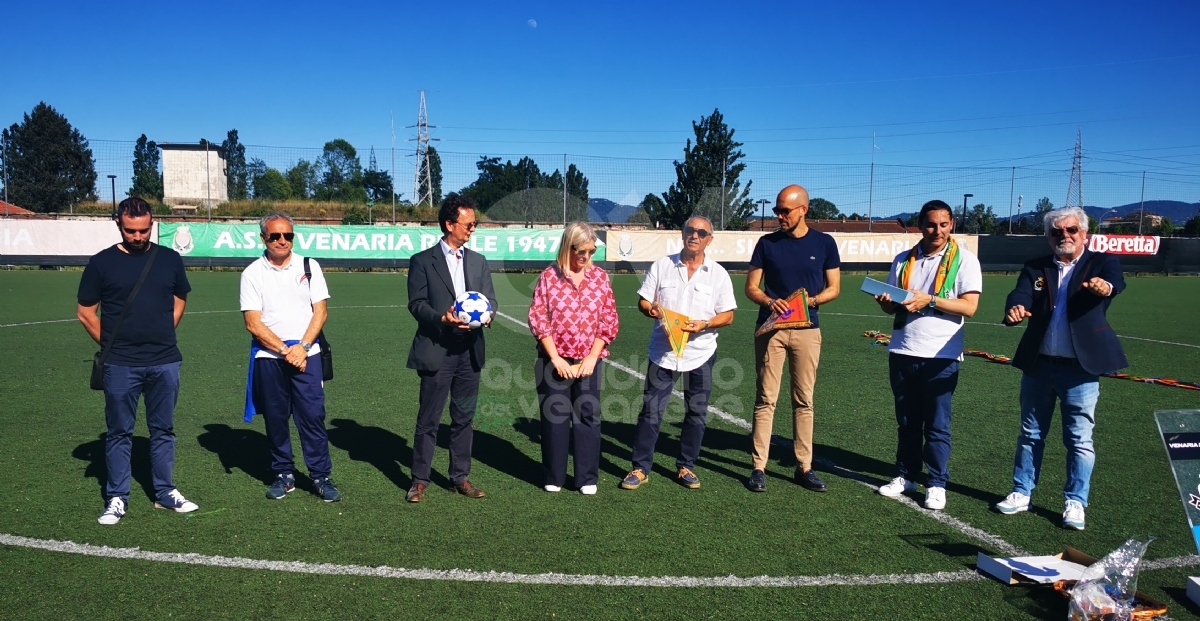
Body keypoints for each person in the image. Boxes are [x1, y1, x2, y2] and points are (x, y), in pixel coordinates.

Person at [995, 206, 1126, 530]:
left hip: (1080, 370)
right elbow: (1021, 293)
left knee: (1079, 440)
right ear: (1048, 236)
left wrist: (1104, 288)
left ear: (1084, 234)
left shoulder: (1102, 262)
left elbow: (1115, 283)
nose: (1064, 237)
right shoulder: (1036, 266)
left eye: (1071, 231)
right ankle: (1021, 492)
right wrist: (1016, 307)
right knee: (1030, 434)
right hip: (1039, 366)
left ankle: (1075, 502)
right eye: (1057, 232)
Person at [77, 197, 198, 525]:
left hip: (165, 361)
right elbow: (86, 313)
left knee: (163, 429)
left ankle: (165, 492)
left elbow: (179, 298)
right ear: (119, 225)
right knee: (119, 431)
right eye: (131, 231)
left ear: (152, 225)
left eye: (144, 230)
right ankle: (117, 497)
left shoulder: (169, 259)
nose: (138, 236)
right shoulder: (101, 263)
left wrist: (162, 331)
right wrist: (114, 345)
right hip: (120, 364)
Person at [873, 200, 982, 511]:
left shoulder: (965, 261)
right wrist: (886, 302)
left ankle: (936, 482)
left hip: (942, 354)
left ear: (952, 225)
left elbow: (969, 307)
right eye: (931, 224)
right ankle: (905, 475)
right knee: (907, 421)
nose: (937, 230)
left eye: (943, 224)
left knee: (937, 423)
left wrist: (930, 300)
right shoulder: (903, 259)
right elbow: (894, 302)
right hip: (903, 349)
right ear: (919, 225)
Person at [620, 216, 736, 491]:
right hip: (663, 351)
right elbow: (644, 300)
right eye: (689, 230)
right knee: (651, 411)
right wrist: (651, 309)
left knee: (696, 413)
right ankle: (639, 467)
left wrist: (705, 324)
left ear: (709, 239)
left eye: (701, 232)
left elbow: (728, 315)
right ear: (682, 234)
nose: (694, 235)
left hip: (702, 352)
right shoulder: (662, 265)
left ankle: (686, 466)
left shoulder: (718, 273)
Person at [744, 184, 841, 493]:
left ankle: (804, 466)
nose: (780, 216)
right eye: (777, 210)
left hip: (808, 330)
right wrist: (769, 302)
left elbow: (834, 288)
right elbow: (751, 287)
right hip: (770, 330)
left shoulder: (825, 243)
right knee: (765, 399)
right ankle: (758, 467)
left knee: (804, 400)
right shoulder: (766, 243)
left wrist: (809, 302)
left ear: (804, 210)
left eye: (785, 210)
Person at [240, 212, 341, 503]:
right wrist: (286, 351)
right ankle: (283, 474)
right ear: (263, 238)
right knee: (275, 419)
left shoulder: (309, 266)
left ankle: (321, 476)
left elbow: (320, 311)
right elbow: (253, 323)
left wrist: (303, 347)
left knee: (312, 416)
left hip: (307, 354)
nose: (282, 241)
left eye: (288, 235)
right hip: (269, 357)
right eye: (275, 236)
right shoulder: (252, 273)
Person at [405, 193, 496, 503]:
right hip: (437, 349)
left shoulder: (478, 261)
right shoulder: (422, 261)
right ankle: (419, 479)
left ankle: (460, 477)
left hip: (469, 352)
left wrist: (488, 315)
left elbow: (491, 301)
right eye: (468, 224)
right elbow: (416, 305)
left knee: (463, 419)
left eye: (474, 224)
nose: (472, 228)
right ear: (449, 224)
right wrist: (441, 318)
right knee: (428, 419)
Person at [528, 222, 619, 495]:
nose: (587, 257)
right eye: (582, 251)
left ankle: (586, 478)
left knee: (588, 417)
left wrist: (592, 356)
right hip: (555, 361)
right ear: (568, 247)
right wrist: (555, 358)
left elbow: (609, 319)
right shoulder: (548, 277)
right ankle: (554, 475)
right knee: (554, 418)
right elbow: (538, 318)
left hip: (589, 362)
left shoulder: (600, 278)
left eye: (592, 252)